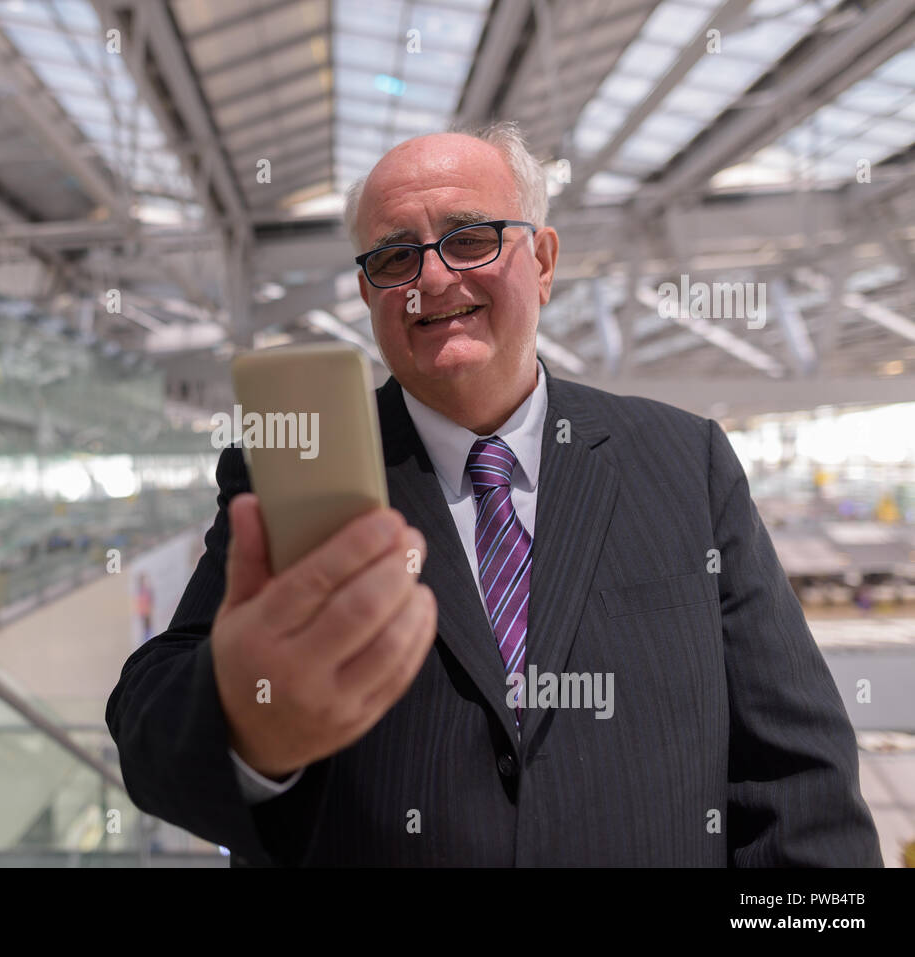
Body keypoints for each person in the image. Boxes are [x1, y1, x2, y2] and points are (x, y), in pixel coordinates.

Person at [105, 122, 883, 866]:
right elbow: (149, 724)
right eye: (394, 257)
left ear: (543, 261)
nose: (433, 278)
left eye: (470, 239)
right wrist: (250, 715)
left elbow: (798, 777)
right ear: (369, 290)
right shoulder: (287, 468)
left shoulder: (687, 462)